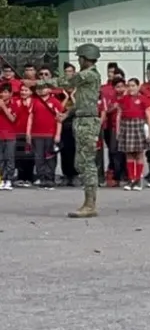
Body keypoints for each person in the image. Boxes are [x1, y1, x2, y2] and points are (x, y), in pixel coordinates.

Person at [51, 44, 104, 218]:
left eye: (79, 57)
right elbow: (82, 103)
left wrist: (39, 82)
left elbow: (66, 81)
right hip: (82, 119)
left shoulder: (87, 74)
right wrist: (67, 113)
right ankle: (88, 202)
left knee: (86, 163)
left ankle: (90, 205)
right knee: (81, 162)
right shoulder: (88, 77)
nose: (78, 60)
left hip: (87, 122)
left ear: (84, 58)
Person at [114, 78, 150, 190]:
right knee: (129, 153)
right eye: (129, 86)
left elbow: (148, 116)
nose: (131, 88)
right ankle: (131, 178)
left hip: (139, 125)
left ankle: (138, 179)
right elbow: (119, 115)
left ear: (138, 86)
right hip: (126, 126)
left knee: (139, 153)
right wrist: (118, 131)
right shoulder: (124, 99)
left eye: (133, 85)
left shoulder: (143, 99)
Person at [27, 81, 64, 189]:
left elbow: (59, 119)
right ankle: (41, 177)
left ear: (49, 89)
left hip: (50, 134)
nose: (41, 90)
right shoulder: (34, 101)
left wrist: (58, 134)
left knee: (50, 156)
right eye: (39, 88)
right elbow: (31, 117)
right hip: (36, 134)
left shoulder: (55, 102)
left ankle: (49, 178)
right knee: (38, 157)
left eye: (43, 88)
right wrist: (28, 132)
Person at [57, 62, 78, 185]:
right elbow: (59, 108)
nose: (68, 74)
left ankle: (75, 174)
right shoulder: (61, 90)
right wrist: (66, 97)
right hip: (64, 123)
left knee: (75, 149)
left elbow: (79, 106)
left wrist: (73, 95)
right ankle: (66, 174)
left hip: (76, 121)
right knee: (64, 150)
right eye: (66, 72)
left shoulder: (78, 88)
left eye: (70, 71)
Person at [0, 85, 18, 190]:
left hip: (10, 135)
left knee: (9, 158)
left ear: (10, 93)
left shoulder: (14, 104)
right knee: (0, 159)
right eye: (1, 92)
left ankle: (9, 179)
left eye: (6, 92)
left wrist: (3, 107)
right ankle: (1, 179)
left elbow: (12, 119)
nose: (3, 94)